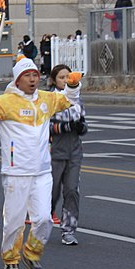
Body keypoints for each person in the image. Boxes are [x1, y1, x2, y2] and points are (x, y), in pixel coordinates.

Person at [0, 56, 82, 269]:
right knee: (14, 221)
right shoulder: (5, 102)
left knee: (44, 219)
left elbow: (67, 99)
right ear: (17, 80)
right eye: (27, 76)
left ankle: (32, 254)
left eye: (35, 75)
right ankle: (11, 259)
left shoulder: (46, 99)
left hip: (42, 171)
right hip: (15, 172)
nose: (32, 80)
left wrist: (73, 84)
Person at [48, 64, 87, 244]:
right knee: (52, 192)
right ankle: (42, 221)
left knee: (72, 190)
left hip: (74, 152)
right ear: (54, 80)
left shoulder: (76, 99)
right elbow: (43, 127)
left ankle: (68, 230)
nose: (65, 80)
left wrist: (81, 127)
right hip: (54, 152)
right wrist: (64, 127)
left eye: (67, 77)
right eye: (61, 77)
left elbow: (83, 124)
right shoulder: (48, 99)